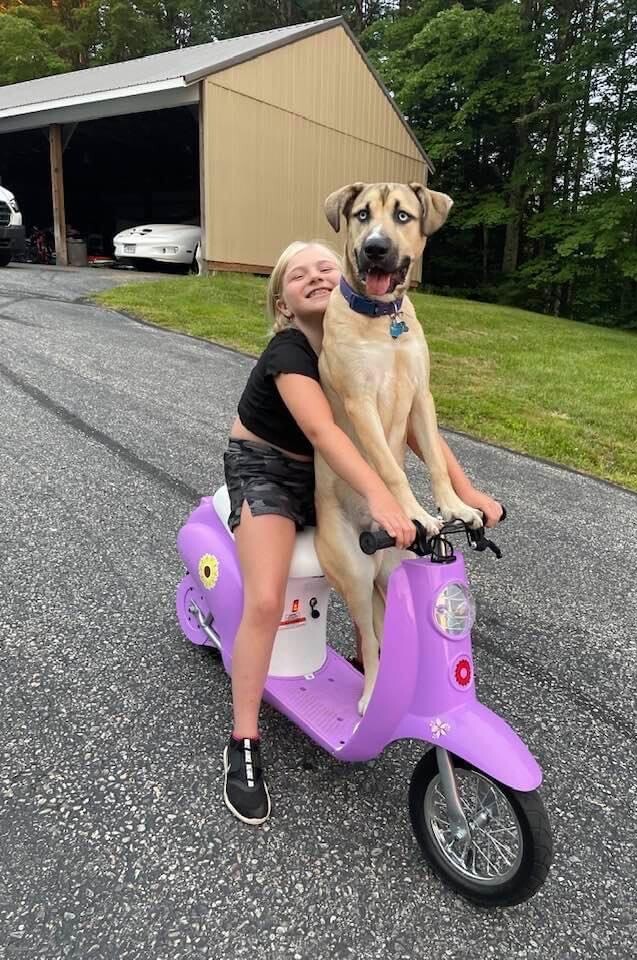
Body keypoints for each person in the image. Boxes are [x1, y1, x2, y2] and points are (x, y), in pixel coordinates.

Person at [222, 240, 503, 826]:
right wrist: (384, 497)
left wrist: (467, 493)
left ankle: (369, 658)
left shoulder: (368, 341)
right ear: (282, 301)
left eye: (325, 265)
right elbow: (325, 433)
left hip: (341, 477)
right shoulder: (290, 352)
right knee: (269, 598)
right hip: (272, 471)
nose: (316, 276)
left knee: (390, 572)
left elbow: (411, 422)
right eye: (297, 275)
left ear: (349, 272)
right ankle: (244, 742)